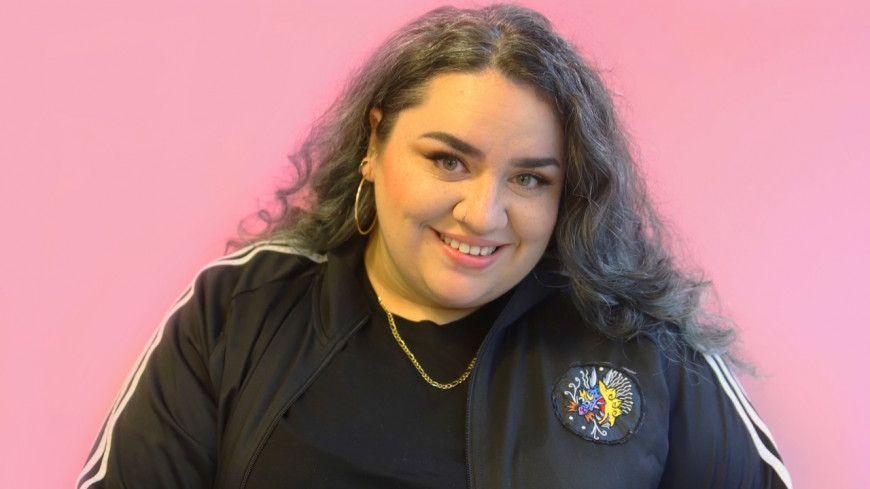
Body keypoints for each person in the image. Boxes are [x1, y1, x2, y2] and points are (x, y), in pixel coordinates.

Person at [77, 4, 791, 488]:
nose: (483, 213)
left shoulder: (641, 344)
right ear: (374, 144)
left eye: (530, 179)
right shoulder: (240, 308)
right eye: (448, 160)